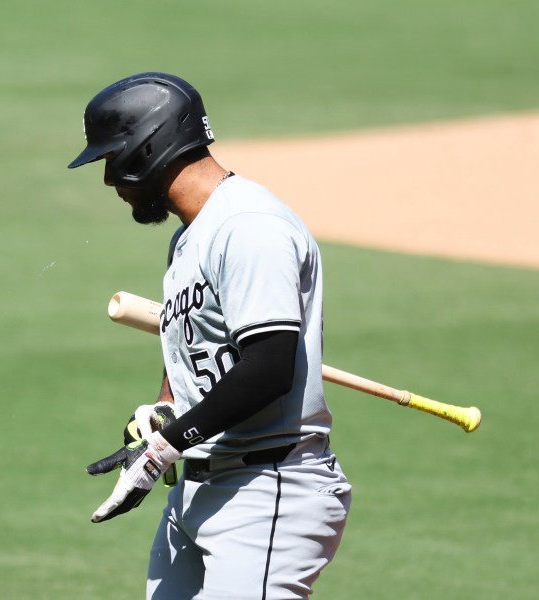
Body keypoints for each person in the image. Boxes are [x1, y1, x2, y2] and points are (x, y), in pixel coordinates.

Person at [68, 72, 351, 600]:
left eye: (112, 160)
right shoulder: (188, 239)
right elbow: (192, 349)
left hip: (267, 490)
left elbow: (267, 369)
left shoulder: (249, 227)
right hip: (202, 488)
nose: (109, 181)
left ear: (146, 150)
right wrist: (162, 414)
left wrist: (164, 449)